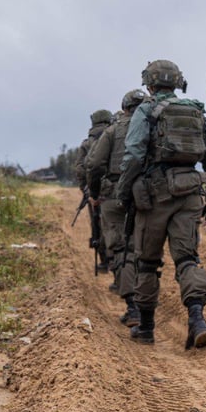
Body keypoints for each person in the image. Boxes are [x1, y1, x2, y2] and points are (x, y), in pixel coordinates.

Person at [116, 60, 206, 349]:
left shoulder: (146, 110)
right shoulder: (195, 111)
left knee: (147, 262)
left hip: (155, 196)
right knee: (188, 258)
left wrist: (125, 193)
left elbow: (134, 155)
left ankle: (146, 328)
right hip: (189, 191)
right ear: (177, 82)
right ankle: (197, 319)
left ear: (149, 83)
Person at [86, 89, 148, 320]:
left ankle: (133, 307)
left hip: (114, 196)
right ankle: (147, 305)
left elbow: (93, 165)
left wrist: (94, 193)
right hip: (147, 196)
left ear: (124, 107)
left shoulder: (113, 131)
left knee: (121, 249)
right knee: (144, 251)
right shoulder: (153, 126)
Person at [74, 109, 112, 272]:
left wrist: (86, 189)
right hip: (114, 189)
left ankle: (104, 261)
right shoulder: (114, 135)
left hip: (95, 191)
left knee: (97, 225)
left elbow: (80, 168)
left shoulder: (87, 143)